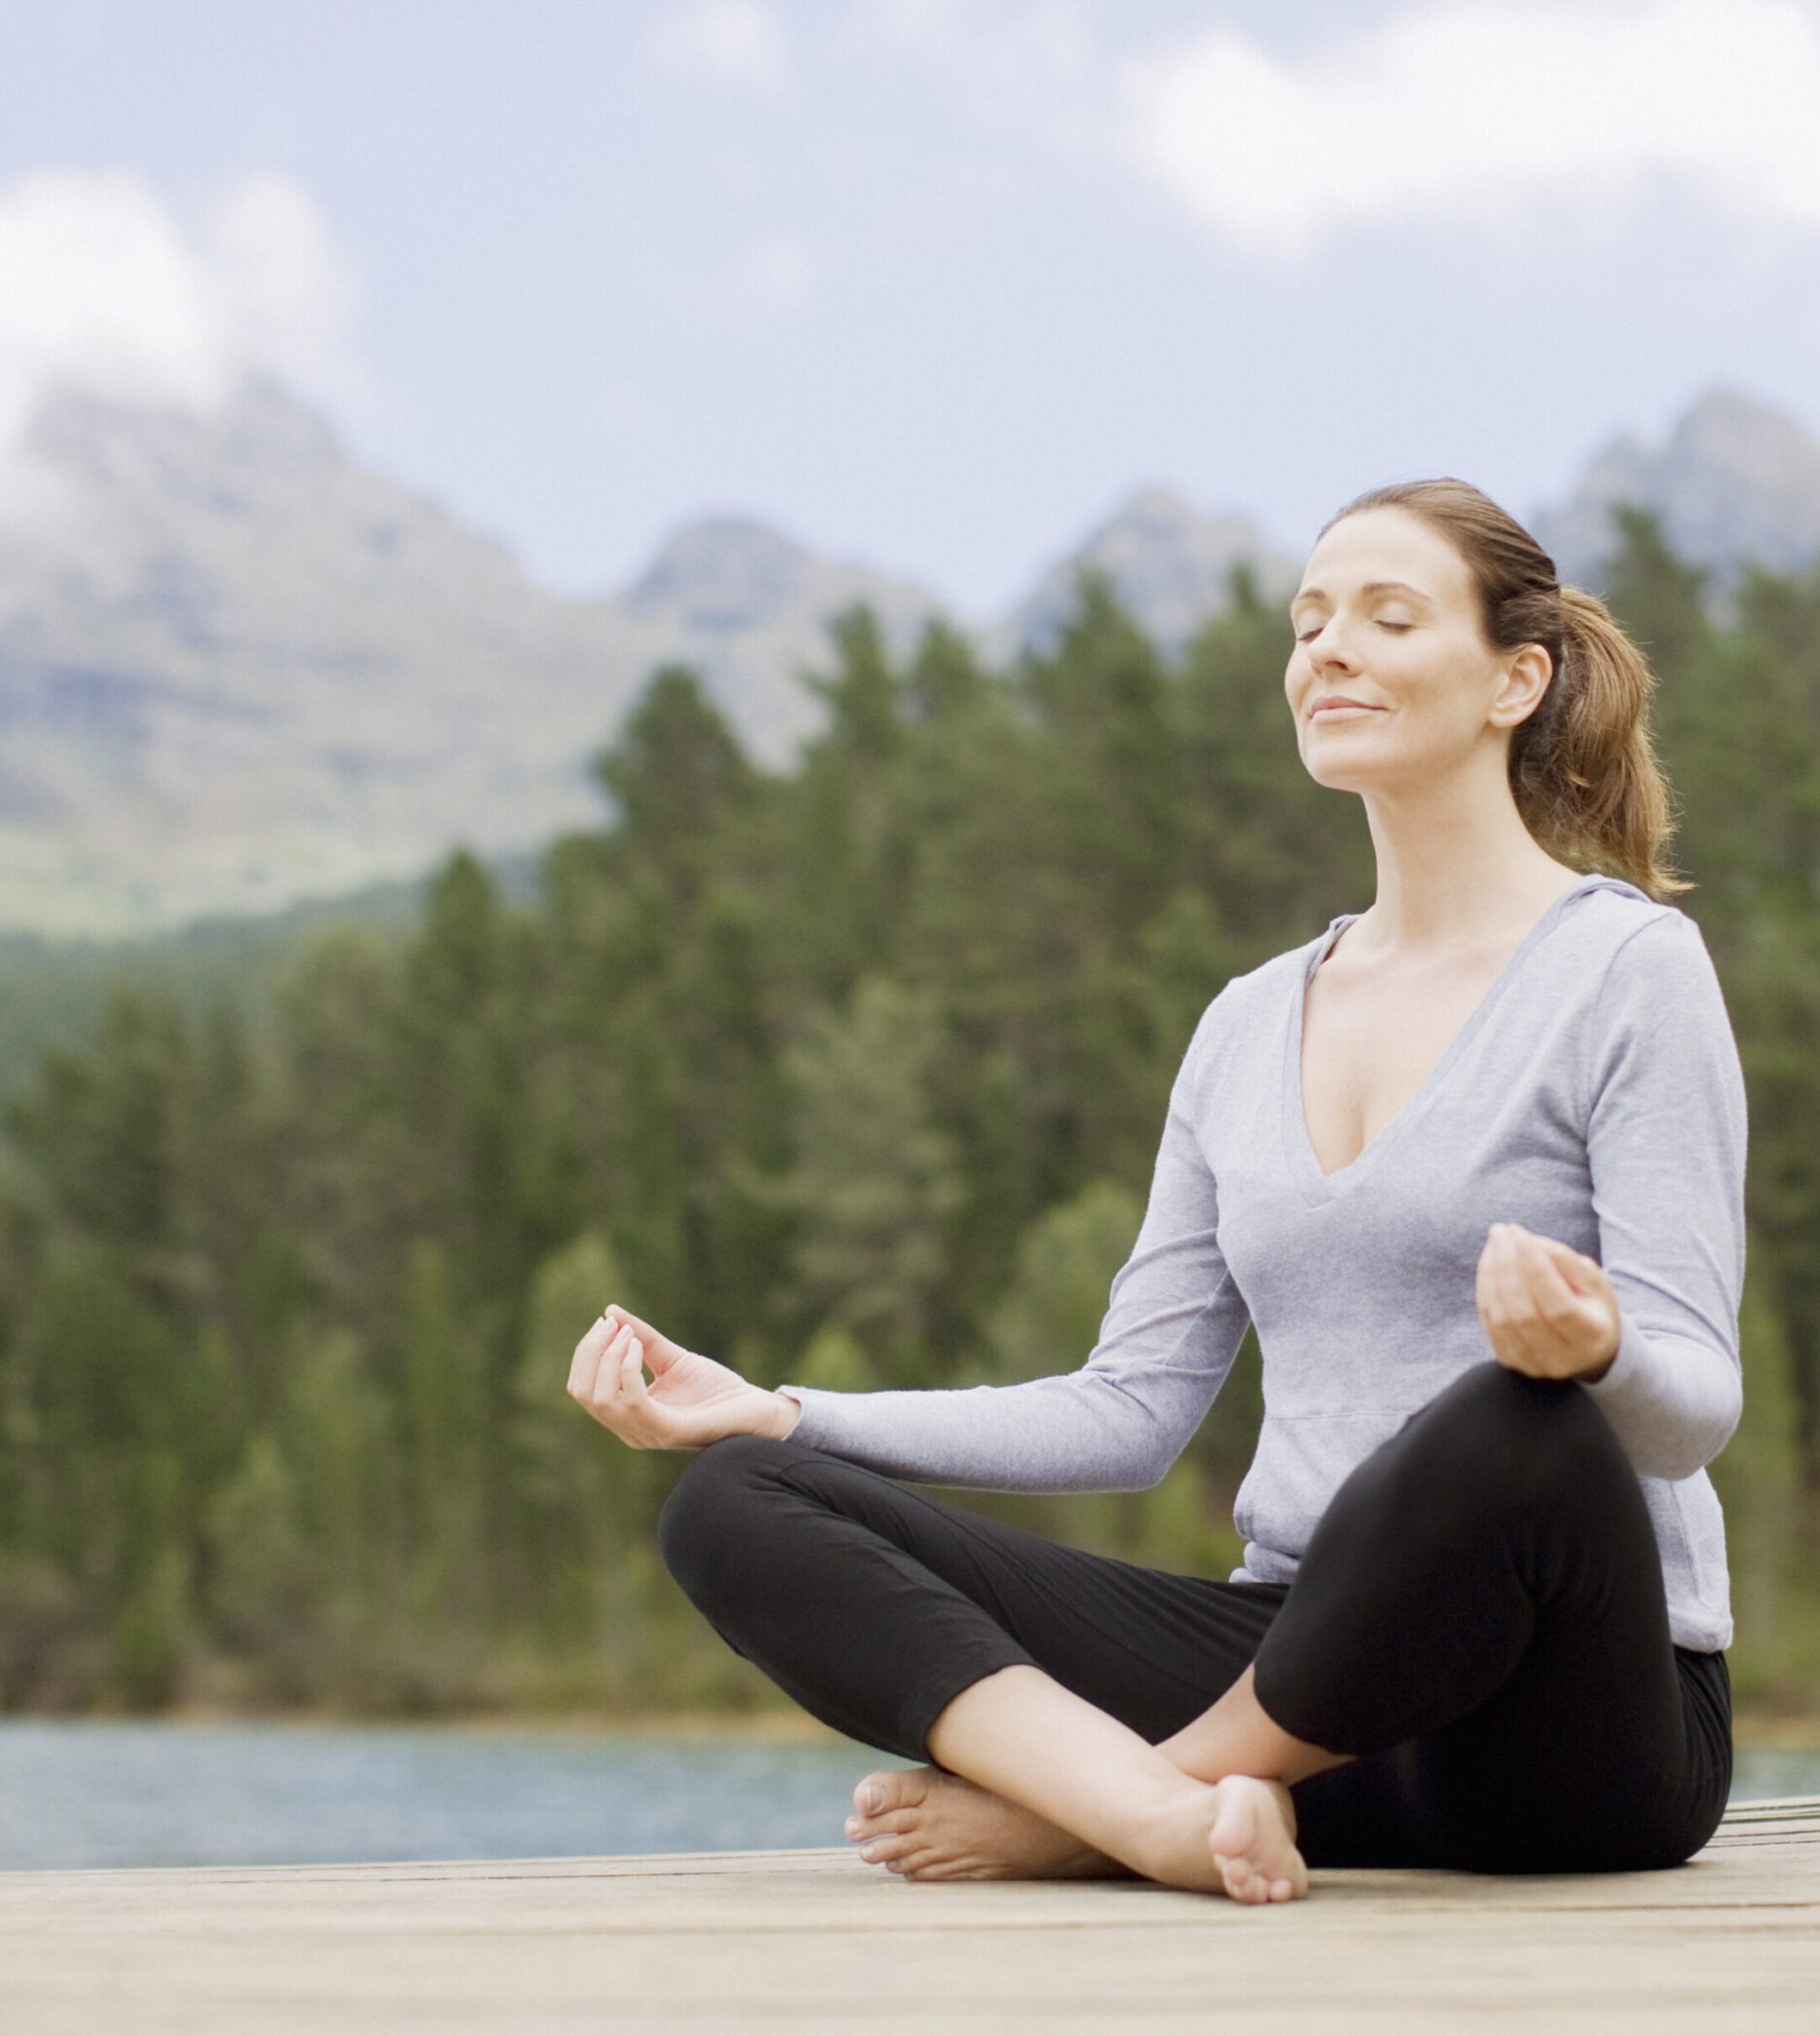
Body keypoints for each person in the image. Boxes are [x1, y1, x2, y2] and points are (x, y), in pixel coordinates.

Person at [564, 478, 1749, 1904]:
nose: (1329, 651)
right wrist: (781, 1410)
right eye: (1308, 623)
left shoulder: (1625, 974)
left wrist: (1598, 1352)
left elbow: (1695, 1411)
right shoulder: (1247, 1023)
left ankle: (1098, 1813)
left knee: (1517, 1424)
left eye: (1387, 616)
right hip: (1317, 1697)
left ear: (1518, 678)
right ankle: (1162, 1810)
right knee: (738, 1498)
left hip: (1569, 1740)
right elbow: (1131, 1410)